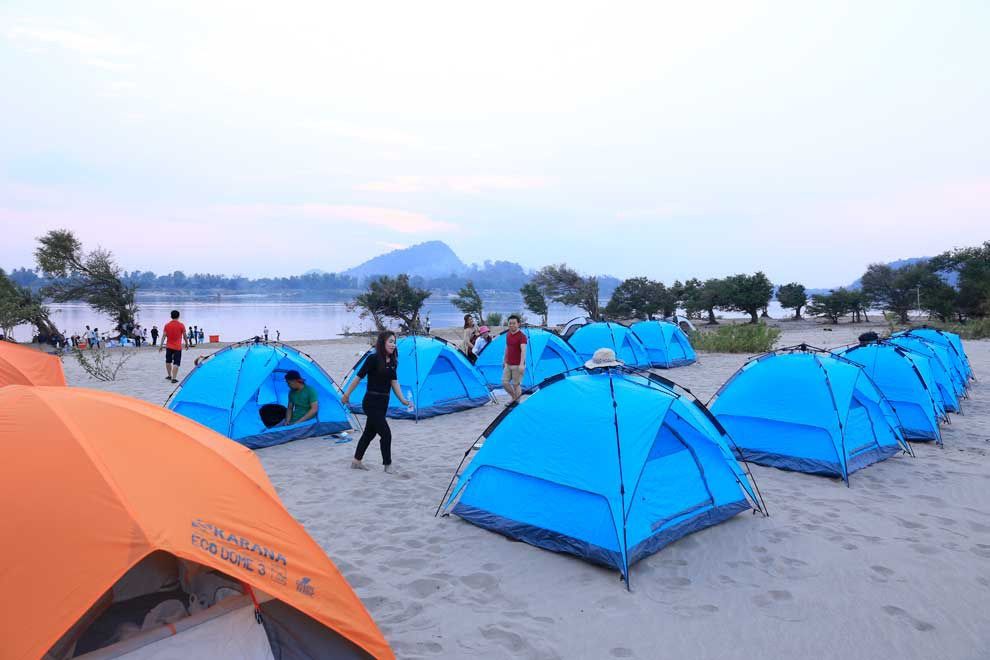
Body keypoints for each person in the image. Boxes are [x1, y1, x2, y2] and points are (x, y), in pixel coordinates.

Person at [341, 331, 412, 474]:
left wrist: (403, 400)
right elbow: (358, 378)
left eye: (394, 342)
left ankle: (356, 461)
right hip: (371, 402)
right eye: (390, 341)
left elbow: (394, 382)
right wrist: (347, 394)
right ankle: (388, 465)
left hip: (383, 403)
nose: (393, 344)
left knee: (369, 433)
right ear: (382, 343)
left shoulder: (393, 362)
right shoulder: (372, 359)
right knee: (386, 434)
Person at [501, 314, 527, 403]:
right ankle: (514, 397)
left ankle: (517, 402)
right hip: (508, 364)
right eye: (510, 323)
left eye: (514, 323)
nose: (511, 325)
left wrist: (521, 365)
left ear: (518, 324)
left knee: (516, 385)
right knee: (504, 383)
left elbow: (523, 351)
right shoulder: (508, 334)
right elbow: (507, 348)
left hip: (517, 365)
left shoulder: (522, 336)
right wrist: (504, 360)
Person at [160, 310, 190, 383]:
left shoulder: (167, 325)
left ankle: (169, 376)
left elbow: (164, 335)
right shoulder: (181, 325)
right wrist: (187, 343)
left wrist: (161, 345)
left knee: (168, 361)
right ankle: (174, 378)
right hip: (177, 347)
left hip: (169, 346)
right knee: (176, 363)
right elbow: (184, 336)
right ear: (178, 316)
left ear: (171, 316)